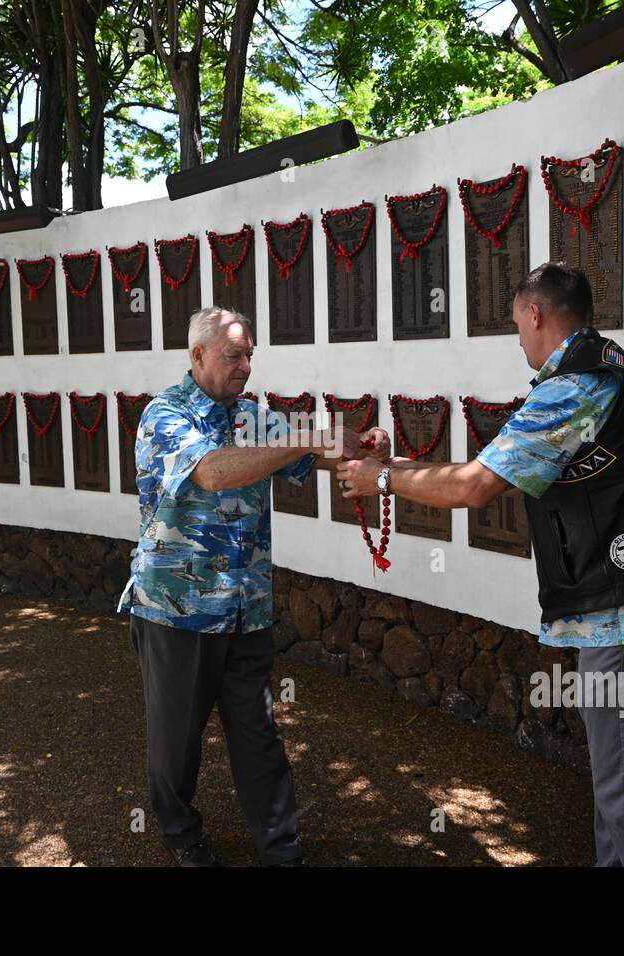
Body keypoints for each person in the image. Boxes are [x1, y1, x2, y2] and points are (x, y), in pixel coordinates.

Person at [339, 262, 624, 866]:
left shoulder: (572, 389)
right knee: (621, 797)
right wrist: (396, 467)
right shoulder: (614, 367)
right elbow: (497, 470)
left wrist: (382, 480)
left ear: (535, 314)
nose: (518, 338)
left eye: (516, 325)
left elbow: (474, 488)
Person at [119, 305, 388, 866]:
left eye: (250, 355)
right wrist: (310, 438)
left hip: (246, 610)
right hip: (177, 611)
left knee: (258, 735)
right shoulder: (164, 415)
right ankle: (181, 833)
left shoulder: (255, 416)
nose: (245, 366)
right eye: (233, 355)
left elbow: (310, 454)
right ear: (197, 356)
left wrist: (365, 447)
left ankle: (281, 849)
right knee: (177, 743)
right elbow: (216, 472)